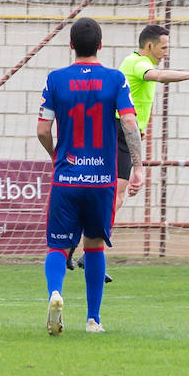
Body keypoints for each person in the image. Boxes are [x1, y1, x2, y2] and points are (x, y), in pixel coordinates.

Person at [68, 23, 189, 278]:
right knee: (108, 195)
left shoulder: (138, 63)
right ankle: (82, 249)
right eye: (164, 47)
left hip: (126, 134)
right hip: (115, 131)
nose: (166, 52)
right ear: (149, 46)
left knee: (116, 195)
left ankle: (87, 253)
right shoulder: (137, 63)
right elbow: (157, 76)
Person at [36, 17, 143, 334]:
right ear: (100, 45)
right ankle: (93, 320)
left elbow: (42, 130)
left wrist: (55, 154)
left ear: (71, 46)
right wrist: (137, 166)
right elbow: (129, 124)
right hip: (102, 181)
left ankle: (56, 293)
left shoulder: (55, 79)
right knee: (94, 245)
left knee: (57, 246)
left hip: (67, 179)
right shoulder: (115, 79)